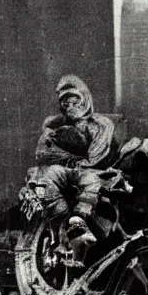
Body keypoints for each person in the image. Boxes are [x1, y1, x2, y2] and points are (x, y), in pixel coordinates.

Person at [32, 75, 118, 256]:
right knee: (49, 178)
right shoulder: (54, 126)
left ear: (84, 101)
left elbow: (98, 155)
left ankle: (79, 221)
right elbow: (44, 154)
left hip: (87, 169)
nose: (70, 108)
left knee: (92, 181)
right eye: (65, 104)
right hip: (64, 169)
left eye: (74, 102)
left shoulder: (99, 125)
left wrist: (83, 162)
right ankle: (64, 227)